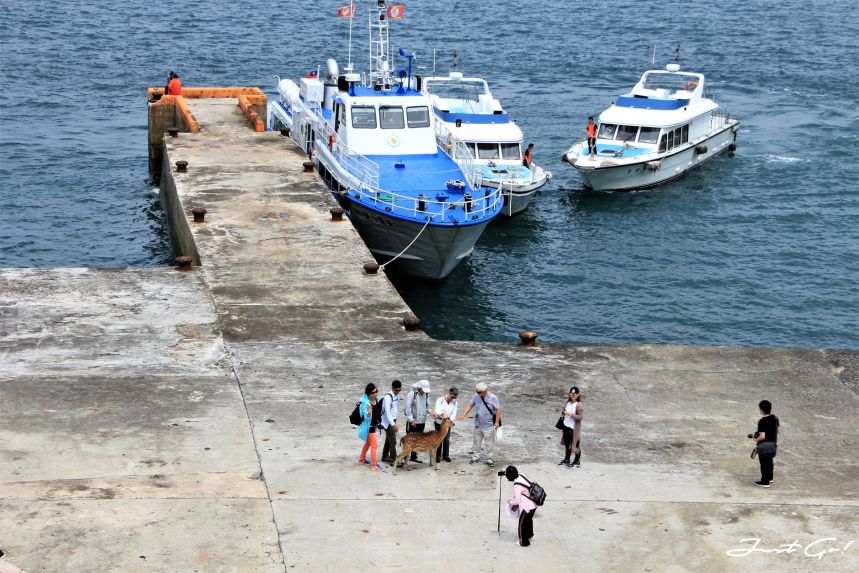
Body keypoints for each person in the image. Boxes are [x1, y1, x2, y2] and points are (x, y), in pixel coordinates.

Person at [458, 382, 501, 467]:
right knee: (476, 442)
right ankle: (475, 456)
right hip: (478, 424)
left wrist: (496, 422)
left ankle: (490, 458)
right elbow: (470, 405)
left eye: (479, 392)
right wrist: (463, 415)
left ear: (485, 391)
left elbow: (498, 410)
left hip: (488, 425)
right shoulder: (476, 396)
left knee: (489, 443)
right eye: (477, 392)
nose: (477, 394)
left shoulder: (493, 398)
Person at [505, 465, 537, 547]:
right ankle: (530, 534)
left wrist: (510, 502)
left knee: (522, 523)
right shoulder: (521, 475)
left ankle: (523, 541)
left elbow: (517, 501)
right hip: (534, 502)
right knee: (528, 520)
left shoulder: (516, 486)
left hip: (528, 506)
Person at [751, 399, 779, 487]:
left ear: (761, 410)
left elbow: (762, 436)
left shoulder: (762, 421)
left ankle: (765, 481)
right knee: (770, 462)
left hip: (764, 446)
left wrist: (755, 439)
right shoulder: (775, 418)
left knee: (764, 464)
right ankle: (770, 478)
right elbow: (777, 430)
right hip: (773, 444)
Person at [357, 383, 385, 472]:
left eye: (376, 391)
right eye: (373, 392)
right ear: (369, 393)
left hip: (374, 426)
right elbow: (365, 418)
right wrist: (369, 413)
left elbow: (378, 412)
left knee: (368, 443)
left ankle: (361, 459)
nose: (375, 393)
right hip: (369, 427)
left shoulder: (376, 400)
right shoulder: (365, 404)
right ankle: (374, 465)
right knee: (374, 445)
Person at [404, 379, 431, 463]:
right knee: (410, 439)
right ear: (419, 387)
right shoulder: (411, 394)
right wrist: (411, 420)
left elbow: (428, 406)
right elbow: (408, 408)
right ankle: (405, 456)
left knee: (418, 439)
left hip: (422, 420)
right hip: (414, 421)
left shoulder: (426, 395)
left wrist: (431, 412)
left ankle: (413, 456)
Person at [559, 386, 584, 467]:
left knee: (576, 445)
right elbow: (565, 413)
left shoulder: (579, 405)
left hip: (573, 428)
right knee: (567, 444)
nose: (573, 395)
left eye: (574, 393)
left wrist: (570, 414)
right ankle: (567, 459)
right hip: (565, 426)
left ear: (578, 395)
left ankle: (577, 460)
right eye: (571, 393)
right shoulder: (568, 403)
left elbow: (580, 417)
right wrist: (564, 412)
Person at [432, 387, 458, 463]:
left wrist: (450, 418)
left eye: (454, 397)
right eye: (452, 397)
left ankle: (446, 455)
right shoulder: (440, 399)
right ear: (449, 393)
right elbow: (437, 410)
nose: (453, 399)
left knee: (446, 439)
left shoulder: (455, 402)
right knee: (438, 439)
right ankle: (437, 456)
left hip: (447, 423)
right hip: (439, 422)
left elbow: (454, 412)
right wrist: (443, 414)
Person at [380, 380, 402, 465]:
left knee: (388, 439)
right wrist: (393, 424)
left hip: (393, 420)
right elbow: (388, 413)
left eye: (400, 390)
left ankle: (384, 456)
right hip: (388, 421)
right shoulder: (388, 398)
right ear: (392, 388)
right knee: (393, 440)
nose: (398, 392)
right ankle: (394, 458)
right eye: (397, 390)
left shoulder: (397, 396)